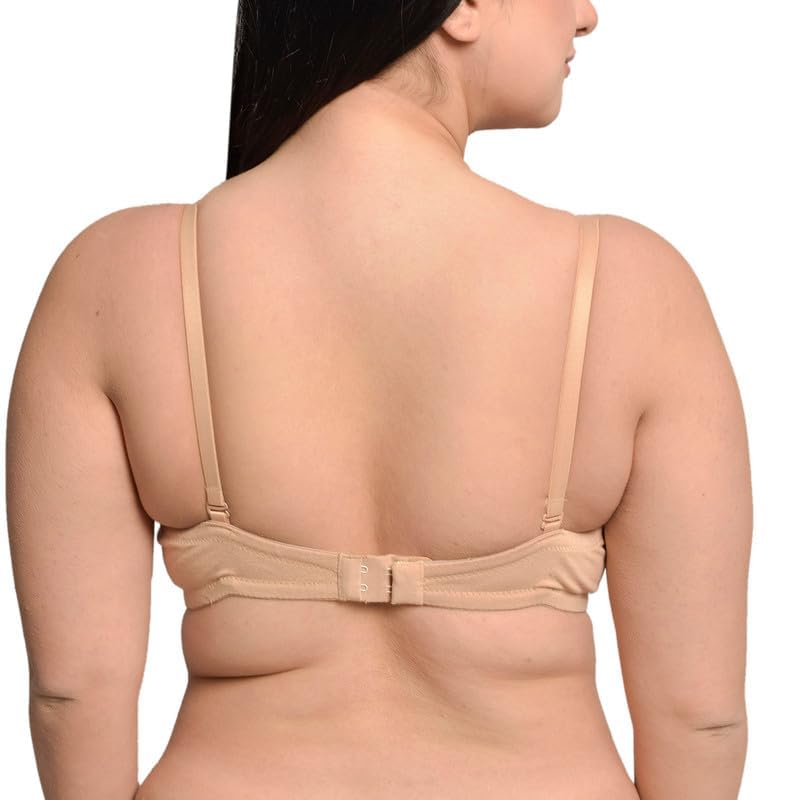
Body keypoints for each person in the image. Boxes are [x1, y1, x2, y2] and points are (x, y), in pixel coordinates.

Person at [6, 1, 751, 798]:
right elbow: (698, 717)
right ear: (464, 8)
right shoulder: (633, 290)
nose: (586, 14)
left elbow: (72, 694)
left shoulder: (117, 279)